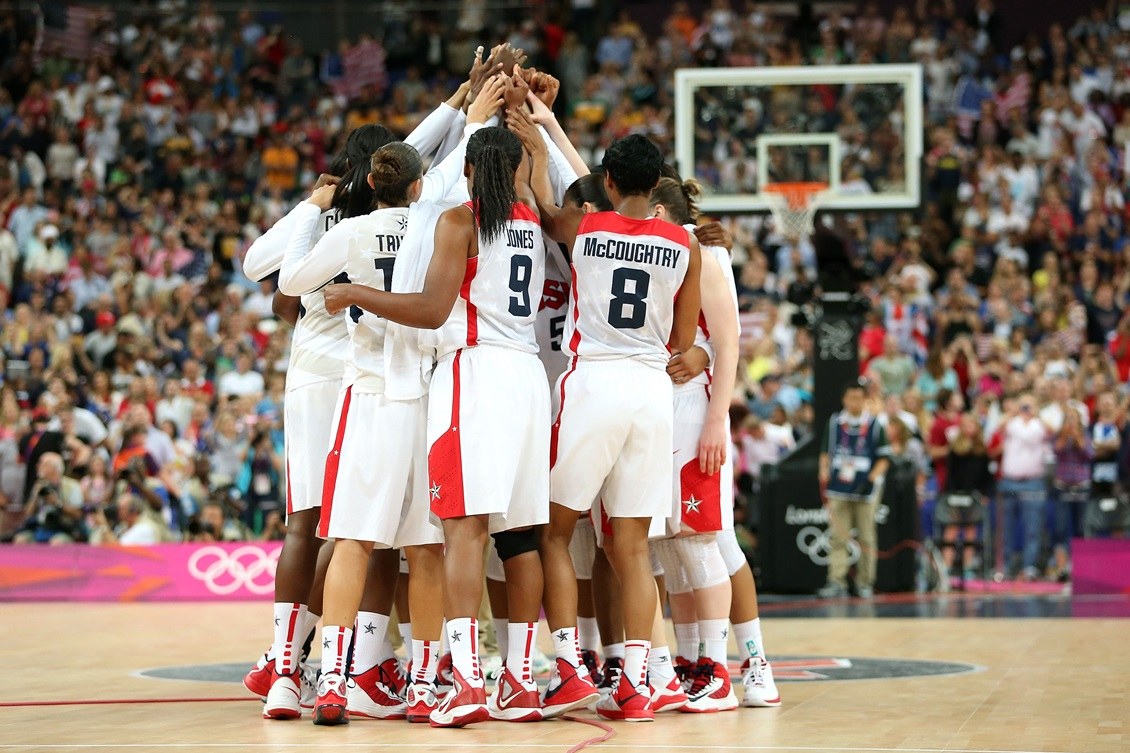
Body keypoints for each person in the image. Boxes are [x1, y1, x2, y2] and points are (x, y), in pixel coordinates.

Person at [280, 80, 507, 727]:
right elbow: (443, 172)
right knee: (426, 550)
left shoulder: (351, 235)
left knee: (352, 541)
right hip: (427, 399)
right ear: (414, 183)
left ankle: (332, 680)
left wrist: (310, 216)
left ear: (367, 183)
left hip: (369, 397)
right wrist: (470, 113)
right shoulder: (435, 218)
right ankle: (425, 681)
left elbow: (291, 283)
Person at [324, 122, 551, 728]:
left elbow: (428, 311)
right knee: (521, 533)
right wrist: (535, 129)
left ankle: (468, 681)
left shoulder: (462, 221)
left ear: (471, 170)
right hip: (529, 381)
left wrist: (357, 294)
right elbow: (539, 178)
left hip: (473, 375)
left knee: (462, 532)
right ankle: (522, 682)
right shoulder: (532, 217)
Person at [521, 125, 702, 723]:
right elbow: (682, 339)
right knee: (631, 545)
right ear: (657, 185)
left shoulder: (587, 228)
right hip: (652, 391)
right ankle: (639, 682)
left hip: (594, 380)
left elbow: (543, 209)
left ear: (608, 181)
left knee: (553, 530)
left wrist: (537, 140)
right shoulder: (685, 243)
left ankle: (571, 668)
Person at [647, 175, 741, 713]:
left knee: (700, 543)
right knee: (671, 547)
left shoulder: (705, 255)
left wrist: (716, 420)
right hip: (663, 412)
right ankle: (690, 663)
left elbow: (728, 341)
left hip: (694, 415)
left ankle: (718, 669)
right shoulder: (663, 251)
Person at [817, 380, 891, 599]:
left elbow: (884, 457)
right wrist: (823, 471)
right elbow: (825, 451)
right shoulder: (835, 423)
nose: (854, 402)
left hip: (865, 488)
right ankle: (836, 581)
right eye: (850, 398)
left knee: (867, 537)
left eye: (858, 398)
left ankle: (865, 582)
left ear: (865, 399)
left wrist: (871, 478)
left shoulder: (875, 424)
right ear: (844, 399)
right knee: (838, 535)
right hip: (839, 486)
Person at [998, 393, 1052, 581]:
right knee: (1006, 528)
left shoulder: (1040, 424)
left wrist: (1037, 414)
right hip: (1010, 481)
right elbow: (997, 429)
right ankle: (1004, 567)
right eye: (1023, 406)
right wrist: (1012, 412)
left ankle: (1029, 567)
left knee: (1033, 528)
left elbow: (1052, 431)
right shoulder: (1012, 422)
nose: (1026, 409)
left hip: (1033, 482)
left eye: (1029, 406)